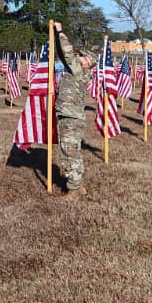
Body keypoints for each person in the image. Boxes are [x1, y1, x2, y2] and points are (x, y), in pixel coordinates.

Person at [53, 22, 95, 199]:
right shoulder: (77, 70)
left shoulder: (79, 71)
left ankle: (73, 189)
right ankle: (79, 185)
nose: (78, 57)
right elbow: (64, 55)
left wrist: (61, 32)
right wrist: (55, 37)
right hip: (71, 116)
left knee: (69, 152)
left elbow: (68, 53)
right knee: (73, 152)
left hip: (71, 117)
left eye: (82, 56)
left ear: (87, 63)